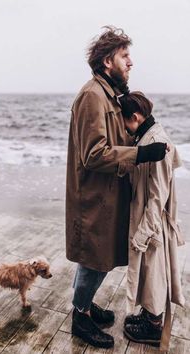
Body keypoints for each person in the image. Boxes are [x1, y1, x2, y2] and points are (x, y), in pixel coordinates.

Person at [66, 26, 168, 349]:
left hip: (107, 198)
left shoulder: (108, 95)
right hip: (93, 200)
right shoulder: (91, 96)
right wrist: (140, 154)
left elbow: (116, 138)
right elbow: (93, 154)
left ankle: (86, 303)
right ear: (107, 60)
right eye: (125, 56)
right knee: (93, 260)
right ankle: (80, 315)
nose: (130, 62)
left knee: (101, 259)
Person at [119, 91, 185, 351]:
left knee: (154, 272)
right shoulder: (149, 135)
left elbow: (159, 195)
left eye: (125, 122)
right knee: (148, 272)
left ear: (135, 117)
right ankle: (149, 316)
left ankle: (154, 326)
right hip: (148, 216)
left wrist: (143, 233)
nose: (125, 128)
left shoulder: (157, 141)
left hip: (152, 220)